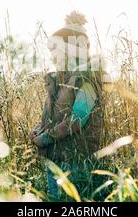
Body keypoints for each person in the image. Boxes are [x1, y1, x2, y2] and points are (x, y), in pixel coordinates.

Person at [30, 11, 105, 201]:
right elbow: (52, 118)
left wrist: (45, 139)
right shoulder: (59, 82)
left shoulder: (87, 80)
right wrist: (38, 130)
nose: (53, 55)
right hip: (55, 161)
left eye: (57, 49)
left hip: (75, 166)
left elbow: (76, 120)